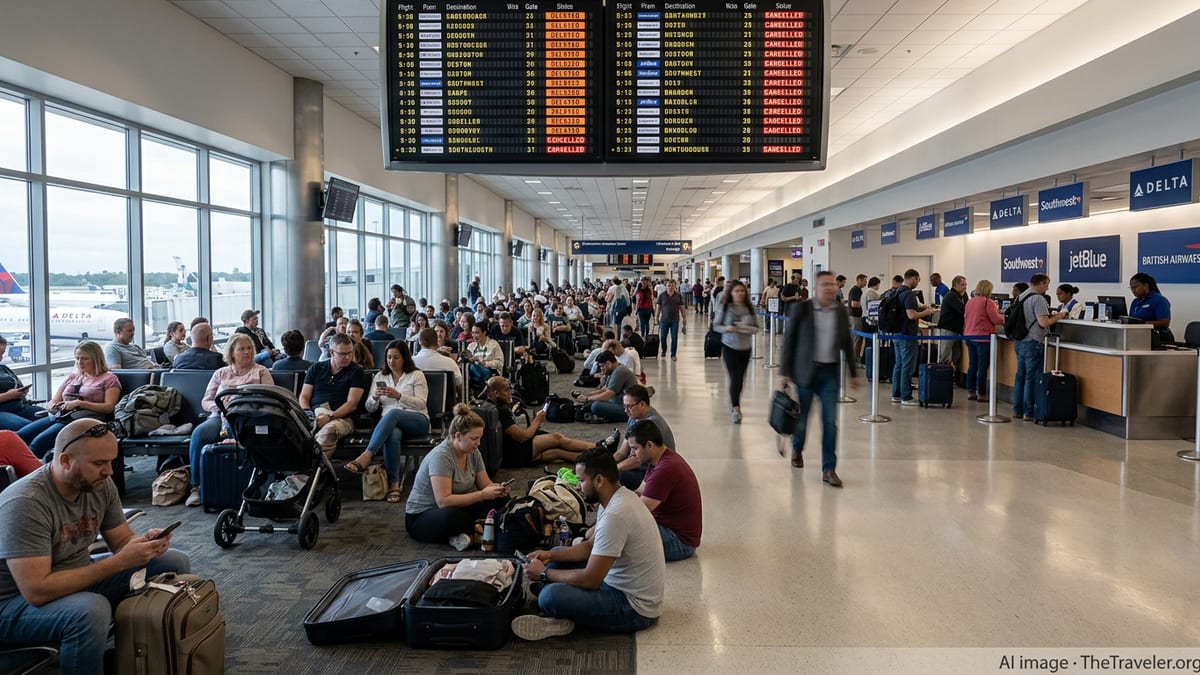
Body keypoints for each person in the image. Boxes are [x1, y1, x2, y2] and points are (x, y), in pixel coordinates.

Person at [0, 419, 191, 674]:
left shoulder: (96, 483)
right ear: (66, 460)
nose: (109, 471)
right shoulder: (26, 503)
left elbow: (121, 541)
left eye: (111, 461)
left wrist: (144, 544)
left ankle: (145, 655)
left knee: (172, 561)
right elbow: (38, 590)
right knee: (89, 611)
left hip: (74, 577)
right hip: (14, 602)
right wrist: (120, 561)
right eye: (99, 463)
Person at [512, 448, 664, 641]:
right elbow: (589, 546)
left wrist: (543, 573)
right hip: (618, 583)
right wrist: (549, 555)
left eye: (581, 480)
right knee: (557, 553)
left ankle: (564, 617)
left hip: (635, 609)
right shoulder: (617, 498)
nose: (577, 486)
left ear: (599, 480)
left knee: (549, 596)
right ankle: (563, 600)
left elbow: (591, 579)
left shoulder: (616, 515)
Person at [780, 271, 859, 486]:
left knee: (830, 423)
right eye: (825, 284)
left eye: (832, 284)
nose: (830, 288)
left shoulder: (840, 312)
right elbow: (789, 340)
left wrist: (853, 372)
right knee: (803, 419)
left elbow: (846, 344)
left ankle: (829, 469)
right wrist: (784, 371)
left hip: (829, 374)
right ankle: (797, 449)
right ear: (815, 288)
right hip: (805, 372)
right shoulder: (802, 309)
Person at [405, 404, 511, 549]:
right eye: (474, 438)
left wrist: (497, 489)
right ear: (458, 436)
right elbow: (443, 501)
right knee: (452, 517)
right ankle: (481, 529)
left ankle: (473, 532)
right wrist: (482, 495)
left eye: (480, 438)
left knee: (501, 499)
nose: (478, 443)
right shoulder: (441, 456)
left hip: (457, 506)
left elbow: (485, 484)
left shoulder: (473, 452)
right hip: (423, 515)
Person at [184, 333, 273, 506]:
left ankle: (246, 483)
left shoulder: (261, 371)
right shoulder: (221, 374)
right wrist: (219, 407)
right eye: (241, 349)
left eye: (249, 348)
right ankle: (196, 487)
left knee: (243, 434)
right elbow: (206, 400)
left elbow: (269, 398)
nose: (247, 352)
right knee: (199, 434)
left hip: (248, 418)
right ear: (232, 353)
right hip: (220, 415)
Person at [344, 340, 429, 504]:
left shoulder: (416, 375)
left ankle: (367, 455)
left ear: (404, 358)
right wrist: (374, 398)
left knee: (393, 413)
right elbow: (369, 408)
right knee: (393, 433)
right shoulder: (380, 376)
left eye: (396, 358)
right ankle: (394, 485)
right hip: (391, 425)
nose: (392, 361)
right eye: (389, 357)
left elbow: (421, 403)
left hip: (417, 420)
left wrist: (399, 396)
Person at [17, 342, 121, 460]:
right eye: (77, 358)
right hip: (60, 416)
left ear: (96, 359)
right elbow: (54, 400)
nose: (79, 362)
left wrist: (80, 403)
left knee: (38, 443)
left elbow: (109, 407)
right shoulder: (73, 377)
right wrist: (53, 406)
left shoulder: (109, 379)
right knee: (19, 437)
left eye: (85, 358)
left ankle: (30, 474)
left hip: (84, 419)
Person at [485, 377, 612, 468]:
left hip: (510, 457)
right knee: (557, 439)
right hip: (517, 453)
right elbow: (523, 437)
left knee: (558, 453)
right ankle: (598, 446)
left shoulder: (491, 406)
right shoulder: (500, 411)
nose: (509, 394)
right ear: (496, 393)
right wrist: (537, 420)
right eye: (506, 390)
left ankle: (593, 460)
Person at [626, 420, 701, 561]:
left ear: (649, 445)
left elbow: (635, 512)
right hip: (669, 529)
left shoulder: (665, 469)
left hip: (679, 542)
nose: (632, 454)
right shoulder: (658, 460)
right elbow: (638, 492)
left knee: (618, 535)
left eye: (635, 448)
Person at [299, 333, 366, 458]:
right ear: (331, 352)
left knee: (329, 431)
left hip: (342, 418)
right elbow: (304, 397)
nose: (347, 357)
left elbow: (351, 404)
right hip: (314, 415)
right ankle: (316, 472)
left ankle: (310, 470)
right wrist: (308, 414)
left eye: (350, 353)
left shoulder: (356, 371)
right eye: (342, 354)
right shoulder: (316, 368)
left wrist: (329, 417)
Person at [1013, 274, 1067, 421]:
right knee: (1031, 378)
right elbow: (1043, 322)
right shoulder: (1038, 298)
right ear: (1042, 284)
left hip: (1020, 341)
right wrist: (1059, 316)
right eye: (1047, 284)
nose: (1048, 288)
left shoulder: (1021, 296)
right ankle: (1029, 411)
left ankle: (1017, 409)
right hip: (1033, 341)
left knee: (1020, 376)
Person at [712, 280, 760, 424]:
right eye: (736, 291)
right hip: (729, 347)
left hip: (745, 348)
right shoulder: (725, 307)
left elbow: (757, 328)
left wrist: (745, 328)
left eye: (742, 291)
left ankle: (734, 400)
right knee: (735, 377)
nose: (739, 293)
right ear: (731, 293)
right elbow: (716, 325)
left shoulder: (749, 308)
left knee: (741, 380)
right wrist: (728, 328)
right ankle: (736, 407)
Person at [611, 385, 676, 490]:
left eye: (629, 406)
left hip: (655, 471)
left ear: (642, 404)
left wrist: (613, 469)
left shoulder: (652, 423)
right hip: (641, 464)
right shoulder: (633, 417)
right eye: (624, 406)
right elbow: (622, 451)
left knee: (614, 478)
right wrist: (606, 465)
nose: (625, 410)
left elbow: (639, 460)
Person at [891, 269, 934, 407]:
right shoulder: (909, 294)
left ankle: (896, 394)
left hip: (897, 333)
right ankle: (906, 396)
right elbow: (911, 315)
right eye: (917, 280)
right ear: (912, 278)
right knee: (907, 366)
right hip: (907, 334)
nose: (917, 283)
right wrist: (926, 312)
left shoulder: (898, 292)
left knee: (899, 364)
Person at [963, 280, 1003, 403]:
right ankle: (981, 393)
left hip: (969, 336)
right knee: (982, 367)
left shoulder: (970, 302)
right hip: (983, 338)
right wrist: (1005, 318)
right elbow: (996, 319)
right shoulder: (988, 302)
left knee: (972, 365)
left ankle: (971, 391)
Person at [575, 351, 637, 423]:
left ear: (608, 363)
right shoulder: (615, 370)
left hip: (628, 410)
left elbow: (608, 395)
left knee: (596, 406)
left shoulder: (619, 372)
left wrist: (587, 399)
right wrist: (589, 395)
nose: (601, 369)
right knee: (592, 402)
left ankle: (604, 417)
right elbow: (605, 388)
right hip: (619, 403)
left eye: (602, 366)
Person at [0, 336, 43, 432]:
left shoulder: (4, 369)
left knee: (52, 418)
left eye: (2, 354)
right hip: (2, 411)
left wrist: (21, 392)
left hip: (20, 407)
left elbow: (19, 385)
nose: (1, 358)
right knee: (28, 427)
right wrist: (8, 396)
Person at [413, 328, 464, 396]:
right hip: (446, 404)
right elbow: (460, 387)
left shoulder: (410, 362)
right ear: (436, 341)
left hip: (415, 404)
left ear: (420, 341)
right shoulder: (449, 362)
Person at [1128, 273, 1172, 341]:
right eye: (1131, 288)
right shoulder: (1135, 302)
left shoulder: (1160, 300)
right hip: (1139, 336)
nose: (1133, 290)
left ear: (1145, 286)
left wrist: (1142, 323)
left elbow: (1165, 323)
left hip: (1158, 338)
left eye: (1135, 287)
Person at [463, 322, 504, 394]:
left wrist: (484, 363)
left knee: (472, 367)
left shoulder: (494, 345)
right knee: (466, 367)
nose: (474, 336)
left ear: (484, 332)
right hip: (472, 373)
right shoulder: (471, 346)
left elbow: (500, 363)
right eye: (473, 333)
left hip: (490, 373)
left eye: (477, 333)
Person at [936, 275, 968, 367]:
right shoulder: (950, 296)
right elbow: (963, 309)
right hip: (948, 328)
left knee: (956, 354)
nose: (965, 287)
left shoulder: (963, 295)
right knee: (945, 353)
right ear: (955, 285)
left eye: (966, 284)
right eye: (963, 284)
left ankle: (953, 374)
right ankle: (941, 373)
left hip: (957, 329)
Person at [655, 279, 687, 360]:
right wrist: (656, 317)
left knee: (674, 337)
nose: (670, 287)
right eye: (669, 285)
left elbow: (682, 307)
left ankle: (673, 354)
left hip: (674, 320)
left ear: (675, 286)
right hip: (664, 320)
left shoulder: (678, 295)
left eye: (672, 285)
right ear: (666, 286)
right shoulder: (662, 295)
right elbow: (658, 308)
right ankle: (664, 350)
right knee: (663, 337)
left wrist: (684, 318)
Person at [846, 274, 867, 360]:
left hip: (854, 317)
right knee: (857, 339)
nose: (866, 283)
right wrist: (865, 305)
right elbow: (854, 304)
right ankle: (855, 359)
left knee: (855, 338)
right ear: (859, 280)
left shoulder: (858, 290)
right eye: (865, 281)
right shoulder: (855, 291)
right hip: (855, 317)